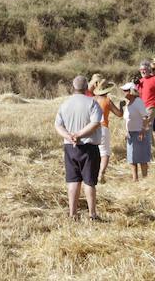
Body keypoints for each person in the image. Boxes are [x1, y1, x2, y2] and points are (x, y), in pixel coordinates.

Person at [54, 75, 103, 220]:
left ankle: (72, 214)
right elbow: (95, 124)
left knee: (73, 181)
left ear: (72, 87)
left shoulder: (65, 104)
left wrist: (69, 136)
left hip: (70, 147)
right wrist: (79, 135)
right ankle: (92, 214)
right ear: (87, 87)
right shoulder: (92, 103)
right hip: (88, 147)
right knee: (89, 182)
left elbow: (57, 125)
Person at [91, 74, 122, 184]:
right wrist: (122, 106)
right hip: (103, 127)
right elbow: (119, 114)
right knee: (105, 153)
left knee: (94, 151)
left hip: (91, 128)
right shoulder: (107, 101)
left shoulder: (93, 100)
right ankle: (101, 173)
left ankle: (93, 173)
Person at [121, 81, 152, 181]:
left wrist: (143, 131)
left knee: (142, 158)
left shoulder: (138, 102)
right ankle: (135, 179)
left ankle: (144, 179)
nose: (124, 92)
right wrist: (126, 132)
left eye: (125, 91)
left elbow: (145, 117)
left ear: (131, 91)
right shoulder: (128, 103)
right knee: (132, 158)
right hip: (131, 134)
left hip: (139, 133)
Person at [135, 60, 155, 145]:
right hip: (141, 107)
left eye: (144, 69)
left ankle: (149, 147)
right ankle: (152, 146)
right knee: (145, 126)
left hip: (151, 105)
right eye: (141, 70)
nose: (143, 71)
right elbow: (136, 94)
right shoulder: (139, 81)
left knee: (148, 124)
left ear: (149, 70)